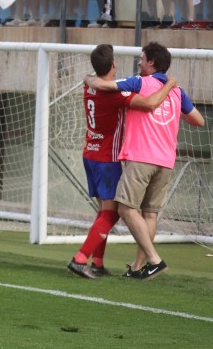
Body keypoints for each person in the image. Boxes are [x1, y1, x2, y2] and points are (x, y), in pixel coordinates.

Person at [85, 43, 205, 280]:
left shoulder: (141, 82)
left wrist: (87, 78)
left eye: (141, 58)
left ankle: (155, 260)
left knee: (126, 209)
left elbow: (103, 84)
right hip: (167, 160)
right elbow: (199, 121)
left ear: (151, 62)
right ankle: (139, 267)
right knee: (150, 214)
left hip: (141, 157)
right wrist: (174, 102)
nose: (139, 62)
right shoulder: (177, 92)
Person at [67, 44, 178, 279]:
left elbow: (95, 82)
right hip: (107, 157)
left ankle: (97, 261)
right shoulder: (115, 94)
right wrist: (169, 84)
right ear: (114, 65)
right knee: (113, 213)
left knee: (103, 210)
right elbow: (149, 104)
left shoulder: (90, 87)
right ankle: (80, 259)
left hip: (90, 152)